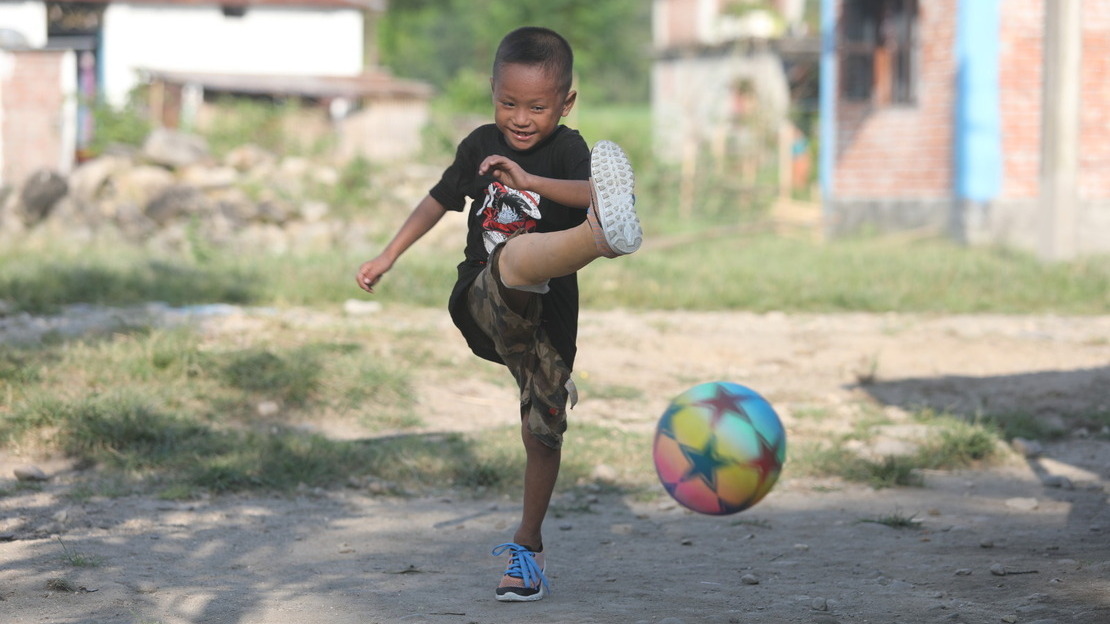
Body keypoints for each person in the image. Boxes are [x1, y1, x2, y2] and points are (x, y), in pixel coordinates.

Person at [355, 26, 642, 602]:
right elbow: (437, 200)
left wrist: (534, 181)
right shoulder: (481, 144)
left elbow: (591, 187)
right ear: (492, 92)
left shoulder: (568, 150)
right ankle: (603, 239)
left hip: (550, 322)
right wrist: (389, 253)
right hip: (483, 300)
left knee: (544, 434)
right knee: (512, 258)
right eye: (508, 102)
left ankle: (526, 548)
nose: (520, 117)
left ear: (567, 102)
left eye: (537, 106)